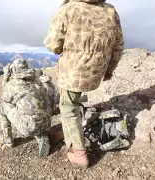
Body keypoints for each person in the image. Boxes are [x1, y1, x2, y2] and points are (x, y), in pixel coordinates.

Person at [43, 0, 124, 166]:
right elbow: (118, 46)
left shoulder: (69, 8)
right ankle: (71, 131)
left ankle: (78, 152)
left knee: (68, 106)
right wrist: (108, 70)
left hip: (73, 72)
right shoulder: (110, 11)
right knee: (75, 99)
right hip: (97, 72)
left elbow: (52, 45)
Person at [0, 58, 52, 156]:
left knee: (3, 106)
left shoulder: (12, 84)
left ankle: (8, 141)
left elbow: (4, 95)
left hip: (29, 128)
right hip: (47, 123)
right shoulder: (36, 80)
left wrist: (6, 75)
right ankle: (41, 134)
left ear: (13, 69)